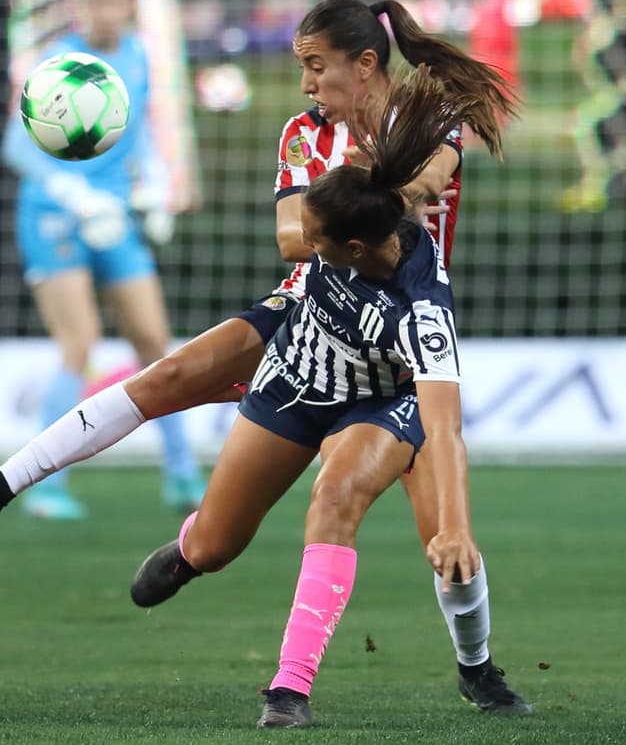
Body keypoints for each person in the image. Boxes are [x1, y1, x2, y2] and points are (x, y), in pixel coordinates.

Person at [0, 0, 527, 716]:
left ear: (365, 65)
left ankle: (470, 669)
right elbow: (294, 240)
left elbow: (425, 182)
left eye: (314, 66)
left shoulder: (428, 126)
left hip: (391, 356)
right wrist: (354, 201)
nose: (306, 84)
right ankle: (0, 489)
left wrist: (370, 189)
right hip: (306, 314)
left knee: (431, 534)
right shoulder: (305, 134)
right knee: (184, 427)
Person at [130, 66, 510, 728]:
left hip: (398, 395)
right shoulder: (340, 225)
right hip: (319, 382)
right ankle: (195, 549)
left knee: (430, 539)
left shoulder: (423, 314)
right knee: (220, 543)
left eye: (315, 240)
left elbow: (445, 427)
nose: (303, 246)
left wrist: (457, 523)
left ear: (354, 249)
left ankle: (308, 688)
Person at [0, 0, 205, 518]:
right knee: (79, 341)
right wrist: (73, 194)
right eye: (96, 2)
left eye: (116, 2)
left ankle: (183, 474)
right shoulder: (57, 65)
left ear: (130, 6)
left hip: (113, 217)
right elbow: (17, 149)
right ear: (80, 7)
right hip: (55, 217)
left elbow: (133, 136)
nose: (106, 12)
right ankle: (43, 483)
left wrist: (157, 186)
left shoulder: (137, 57)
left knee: (154, 340)